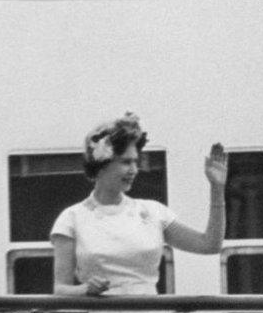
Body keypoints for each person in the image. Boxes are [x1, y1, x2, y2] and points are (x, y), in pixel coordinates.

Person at [51, 112, 226, 297]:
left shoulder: (153, 212)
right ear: (101, 164)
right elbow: (60, 289)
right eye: (126, 162)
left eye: (136, 162)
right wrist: (85, 289)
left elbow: (209, 245)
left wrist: (217, 188)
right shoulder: (72, 218)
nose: (134, 170)